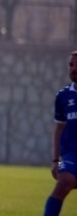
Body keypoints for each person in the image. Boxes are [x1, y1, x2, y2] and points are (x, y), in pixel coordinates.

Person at [44, 50, 77, 216]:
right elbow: (59, 128)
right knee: (63, 182)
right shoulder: (63, 96)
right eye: (71, 65)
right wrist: (55, 160)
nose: (73, 68)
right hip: (71, 154)